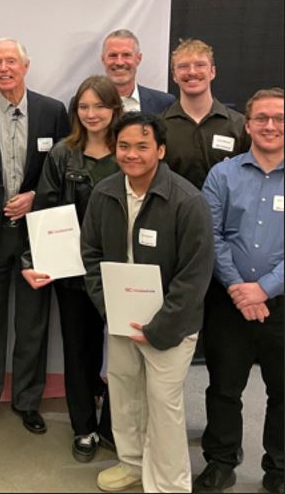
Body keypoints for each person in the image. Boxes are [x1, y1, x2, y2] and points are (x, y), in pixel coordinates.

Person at [81, 112, 214, 492]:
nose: (132, 154)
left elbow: (194, 275)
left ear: (161, 149)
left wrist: (160, 327)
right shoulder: (104, 193)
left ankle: (170, 484)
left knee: (164, 407)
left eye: (142, 146)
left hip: (171, 326)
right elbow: (90, 255)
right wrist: (111, 310)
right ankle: (133, 464)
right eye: (124, 146)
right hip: (121, 320)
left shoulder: (188, 201)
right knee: (123, 396)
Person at [0, 38, 69, 440]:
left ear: (26, 65)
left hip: (36, 236)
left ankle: (28, 401)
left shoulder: (52, 111)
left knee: (32, 324)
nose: (4, 68)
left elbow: (62, 169)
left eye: (11, 61)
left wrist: (36, 197)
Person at [20, 75, 121, 462]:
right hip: (73, 273)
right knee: (79, 353)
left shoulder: (127, 150)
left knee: (122, 354)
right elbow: (44, 210)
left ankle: (113, 426)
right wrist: (34, 260)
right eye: (84, 106)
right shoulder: (63, 154)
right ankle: (84, 428)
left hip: (120, 271)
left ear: (114, 109)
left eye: (100, 106)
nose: (92, 114)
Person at [194, 88, 284, 494]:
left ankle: (279, 468)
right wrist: (237, 288)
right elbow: (210, 236)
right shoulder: (223, 174)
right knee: (223, 388)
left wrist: (264, 289)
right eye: (262, 118)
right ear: (247, 125)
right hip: (228, 303)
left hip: (281, 304)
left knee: (283, 392)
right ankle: (221, 461)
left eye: (279, 118)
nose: (270, 126)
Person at [162, 38, 249, 190]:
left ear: (212, 72)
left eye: (200, 65)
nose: (192, 72)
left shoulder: (239, 125)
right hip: (175, 213)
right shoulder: (159, 126)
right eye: (183, 66)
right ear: (174, 76)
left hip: (226, 212)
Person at [101, 29, 175, 114]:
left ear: (138, 58)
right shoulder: (87, 104)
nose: (119, 62)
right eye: (113, 55)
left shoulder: (164, 103)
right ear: (103, 60)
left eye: (126, 55)